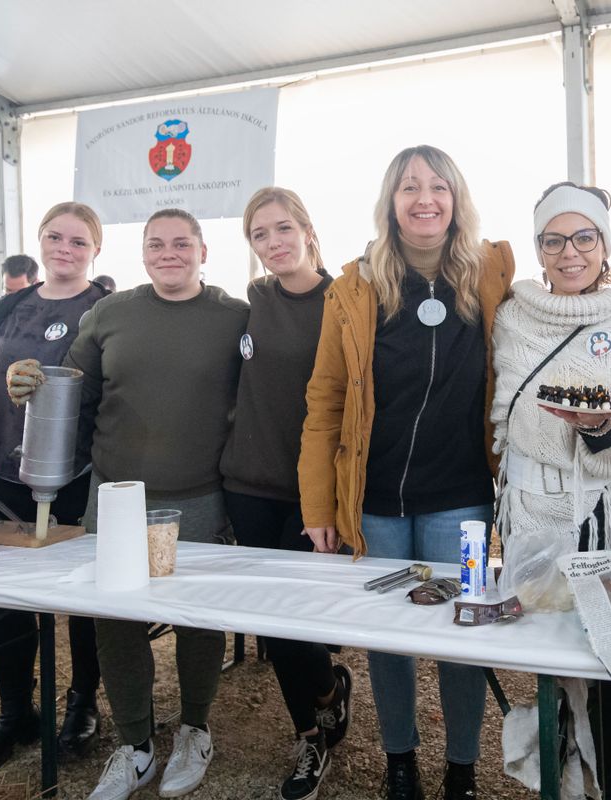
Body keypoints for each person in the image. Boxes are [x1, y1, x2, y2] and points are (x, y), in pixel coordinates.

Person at [300, 145, 513, 800]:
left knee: (465, 632)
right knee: (387, 639)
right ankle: (400, 761)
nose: (425, 199)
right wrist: (317, 509)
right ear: (390, 202)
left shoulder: (493, 275)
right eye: (410, 187)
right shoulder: (355, 288)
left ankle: (462, 767)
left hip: (465, 500)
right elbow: (325, 401)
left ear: (457, 199)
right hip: (376, 505)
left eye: (438, 186)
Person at [57, 208, 248, 800]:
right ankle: (134, 744)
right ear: (142, 254)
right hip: (116, 495)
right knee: (115, 620)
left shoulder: (235, 317)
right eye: (157, 244)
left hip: (201, 494)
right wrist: (31, 377)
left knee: (198, 618)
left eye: (182, 243)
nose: (170, 253)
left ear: (203, 251)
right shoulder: (110, 313)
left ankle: (195, 729)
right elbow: (70, 387)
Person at [489, 181, 611, 797]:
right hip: (527, 509)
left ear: (604, 245)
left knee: (602, 652)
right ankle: (559, 767)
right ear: (539, 249)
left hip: (598, 511)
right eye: (554, 240)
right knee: (543, 646)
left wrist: (597, 431)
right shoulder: (512, 318)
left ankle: (606, 776)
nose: (570, 252)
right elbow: (501, 408)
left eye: (584, 237)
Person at [0, 203, 109, 777]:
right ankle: (16, 714)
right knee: (1, 598)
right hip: (4, 476)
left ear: (96, 249)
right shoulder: (5, 311)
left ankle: (83, 702)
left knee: (86, 597)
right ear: (39, 242)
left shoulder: (107, 309)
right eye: (55, 237)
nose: (65, 248)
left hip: (79, 479)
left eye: (78, 241)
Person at [218, 187, 351, 800]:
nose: (273, 244)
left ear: (307, 230)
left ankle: (324, 699)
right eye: (259, 235)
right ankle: (312, 728)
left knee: (292, 620)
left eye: (281, 229)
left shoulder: (346, 300)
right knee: (271, 627)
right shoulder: (252, 301)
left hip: (311, 489)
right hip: (247, 482)